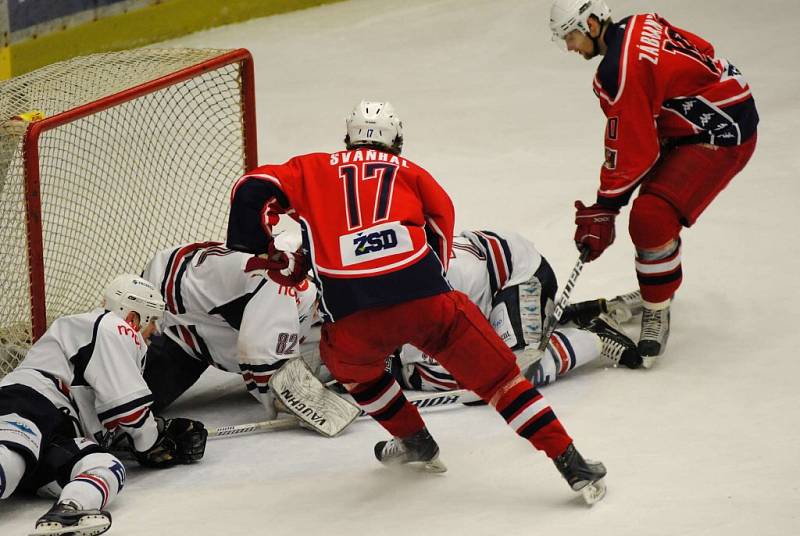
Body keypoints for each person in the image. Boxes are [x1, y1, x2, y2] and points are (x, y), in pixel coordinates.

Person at [226, 100, 607, 502]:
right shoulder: (415, 174)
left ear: (347, 139)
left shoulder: (312, 167)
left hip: (360, 320)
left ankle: (414, 439)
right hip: (428, 304)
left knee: (357, 370)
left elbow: (249, 188)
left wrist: (260, 247)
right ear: (398, 143)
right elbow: (441, 232)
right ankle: (572, 463)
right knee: (503, 382)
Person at [549, 0, 758, 365]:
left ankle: (657, 309)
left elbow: (632, 150)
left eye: (572, 36)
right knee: (653, 211)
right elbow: (702, 51)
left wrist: (605, 208)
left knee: (651, 216)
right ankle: (656, 287)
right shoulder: (639, 23)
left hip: (721, 133)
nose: (569, 47)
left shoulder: (619, 71)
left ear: (594, 24)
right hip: (719, 114)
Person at [0, 275, 207, 536]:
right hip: (31, 400)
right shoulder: (111, 327)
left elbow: (115, 424)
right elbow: (131, 413)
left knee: (105, 465)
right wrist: (153, 440)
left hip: (61, 430)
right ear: (133, 317)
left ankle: (68, 511)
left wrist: (154, 433)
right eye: (152, 320)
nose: (155, 330)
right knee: (13, 455)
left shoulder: (102, 347)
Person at [389, 229, 642, 393]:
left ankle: (594, 333)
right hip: (481, 289)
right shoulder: (394, 282)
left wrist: (393, 374)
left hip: (519, 276)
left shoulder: (427, 289)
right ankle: (563, 315)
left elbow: (429, 368)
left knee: (509, 374)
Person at [140, 241, 317, 418]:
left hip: (201, 327)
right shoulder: (286, 288)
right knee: (124, 408)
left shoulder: (305, 284)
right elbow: (258, 352)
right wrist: (282, 393)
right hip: (165, 309)